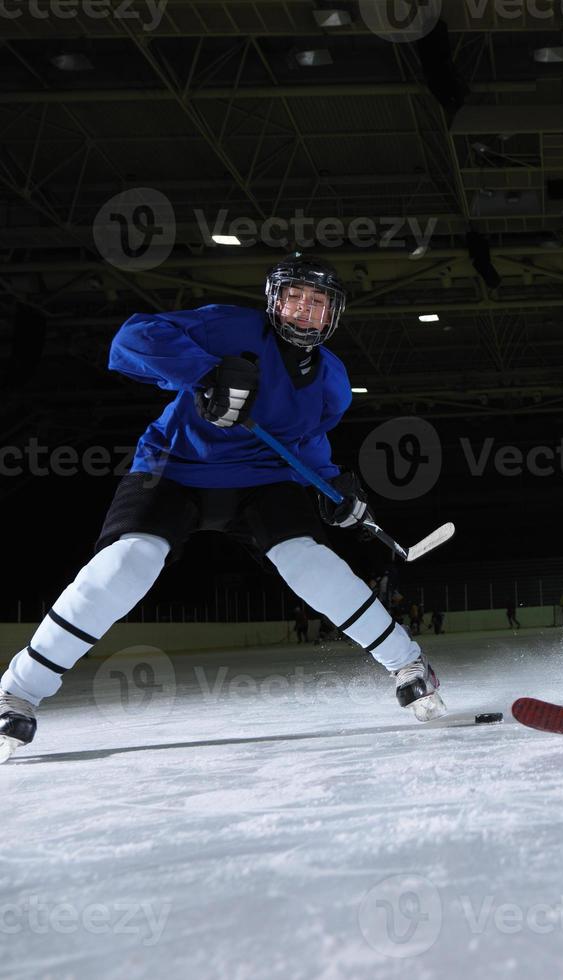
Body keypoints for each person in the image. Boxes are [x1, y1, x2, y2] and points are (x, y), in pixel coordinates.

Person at [0, 254, 447, 764]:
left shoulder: (332, 380)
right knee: (129, 562)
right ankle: (17, 692)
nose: (304, 310)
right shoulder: (228, 326)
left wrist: (333, 491)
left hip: (264, 480)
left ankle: (411, 665)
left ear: (332, 315)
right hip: (174, 469)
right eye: (295, 297)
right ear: (275, 301)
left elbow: (305, 443)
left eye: (317, 302)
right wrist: (206, 372)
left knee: (308, 560)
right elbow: (129, 341)